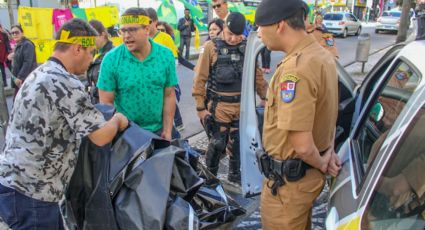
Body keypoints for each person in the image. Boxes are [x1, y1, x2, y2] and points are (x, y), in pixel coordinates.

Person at [0, 18, 128, 229]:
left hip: (18, 184)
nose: (91, 60)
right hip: (34, 193)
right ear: (78, 48)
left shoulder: (40, 73)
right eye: (91, 53)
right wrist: (117, 119)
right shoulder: (65, 82)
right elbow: (100, 137)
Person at [255, 0, 341, 228]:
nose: (258, 33)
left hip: (287, 188)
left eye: (260, 26)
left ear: (280, 25)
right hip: (303, 180)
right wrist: (327, 151)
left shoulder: (296, 69)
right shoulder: (321, 56)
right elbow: (327, 114)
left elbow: (302, 145)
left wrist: (323, 162)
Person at [192, 12, 268, 183]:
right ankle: (209, 178)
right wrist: (200, 108)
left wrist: (265, 97)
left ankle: (235, 175)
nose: (234, 39)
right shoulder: (211, 47)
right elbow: (199, 78)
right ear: (224, 28)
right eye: (230, 34)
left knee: (238, 144)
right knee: (218, 143)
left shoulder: (248, 46)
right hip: (219, 106)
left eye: (238, 35)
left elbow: (257, 76)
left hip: (242, 106)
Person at [97, 8, 179, 140]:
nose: (126, 36)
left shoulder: (165, 55)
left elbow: (169, 95)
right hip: (127, 135)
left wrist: (167, 130)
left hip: (159, 132)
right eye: (123, 31)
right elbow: (106, 105)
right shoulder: (111, 59)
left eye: (132, 30)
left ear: (147, 29)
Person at [146, 8, 184, 132]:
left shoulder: (165, 38)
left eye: (149, 21)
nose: (146, 25)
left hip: (164, 82)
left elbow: (174, 61)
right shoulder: (142, 39)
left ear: (155, 21)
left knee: (167, 106)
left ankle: (174, 130)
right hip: (149, 85)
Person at [86, 19, 114, 103]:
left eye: (93, 37)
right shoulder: (92, 54)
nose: (91, 41)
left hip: (109, 106)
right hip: (96, 105)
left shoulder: (113, 55)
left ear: (102, 35)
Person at [8, 25, 37, 97]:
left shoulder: (27, 44)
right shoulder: (19, 44)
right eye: (12, 33)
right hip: (20, 80)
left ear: (22, 33)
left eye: (17, 32)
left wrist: (20, 77)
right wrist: (10, 57)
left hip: (26, 80)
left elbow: (27, 62)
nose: (14, 34)